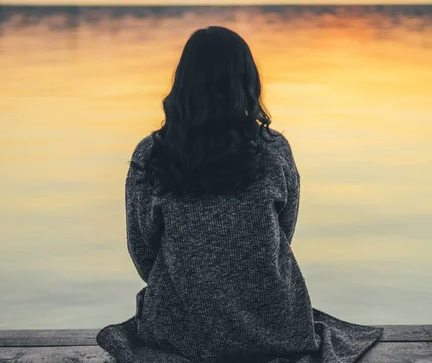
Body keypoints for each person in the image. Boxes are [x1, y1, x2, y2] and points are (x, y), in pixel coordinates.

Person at [96, 26, 383, 363]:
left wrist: (196, 282)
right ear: (246, 82)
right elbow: (283, 233)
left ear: (184, 84)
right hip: (275, 327)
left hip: (183, 330)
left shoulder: (152, 155)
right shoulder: (274, 149)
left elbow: (142, 249)